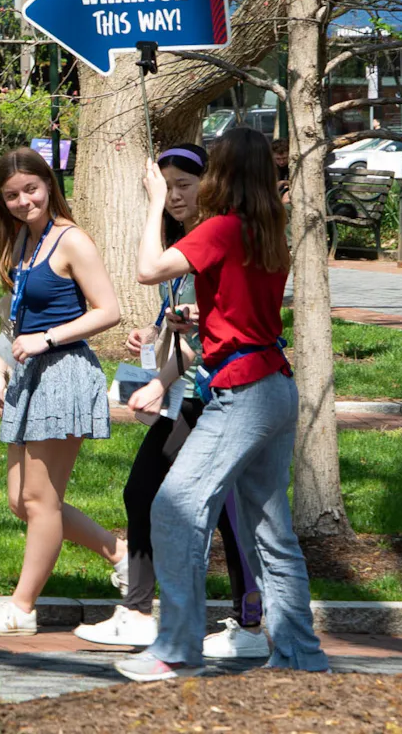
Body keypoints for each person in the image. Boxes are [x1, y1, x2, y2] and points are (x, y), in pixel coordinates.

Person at [115, 127, 328, 682]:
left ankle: (175, 648)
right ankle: (300, 655)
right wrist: (200, 322)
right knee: (270, 530)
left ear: (223, 176)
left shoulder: (221, 229)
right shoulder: (267, 229)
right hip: (276, 383)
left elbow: (147, 270)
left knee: (174, 507)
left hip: (245, 393)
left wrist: (156, 203)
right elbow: (242, 307)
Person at [74, 143, 267, 657]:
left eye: (185, 185)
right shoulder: (193, 242)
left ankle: (244, 623)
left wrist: (160, 380)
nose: (176, 195)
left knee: (217, 507)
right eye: (168, 186)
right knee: (148, 494)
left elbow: (212, 330)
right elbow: (188, 321)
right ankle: (143, 611)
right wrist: (153, 332)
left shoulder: (217, 235)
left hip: (214, 393)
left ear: (210, 183)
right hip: (193, 390)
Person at [0, 147, 126, 637]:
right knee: (22, 500)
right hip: (28, 375)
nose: (22, 200)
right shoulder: (22, 241)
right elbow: (13, 317)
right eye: (11, 195)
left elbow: (108, 310)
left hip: (64, 375)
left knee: (39, 500)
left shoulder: (71, 240)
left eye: (30, 189)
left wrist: (49, 339)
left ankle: (22, 608)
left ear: (49, 186)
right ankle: (123, 556)